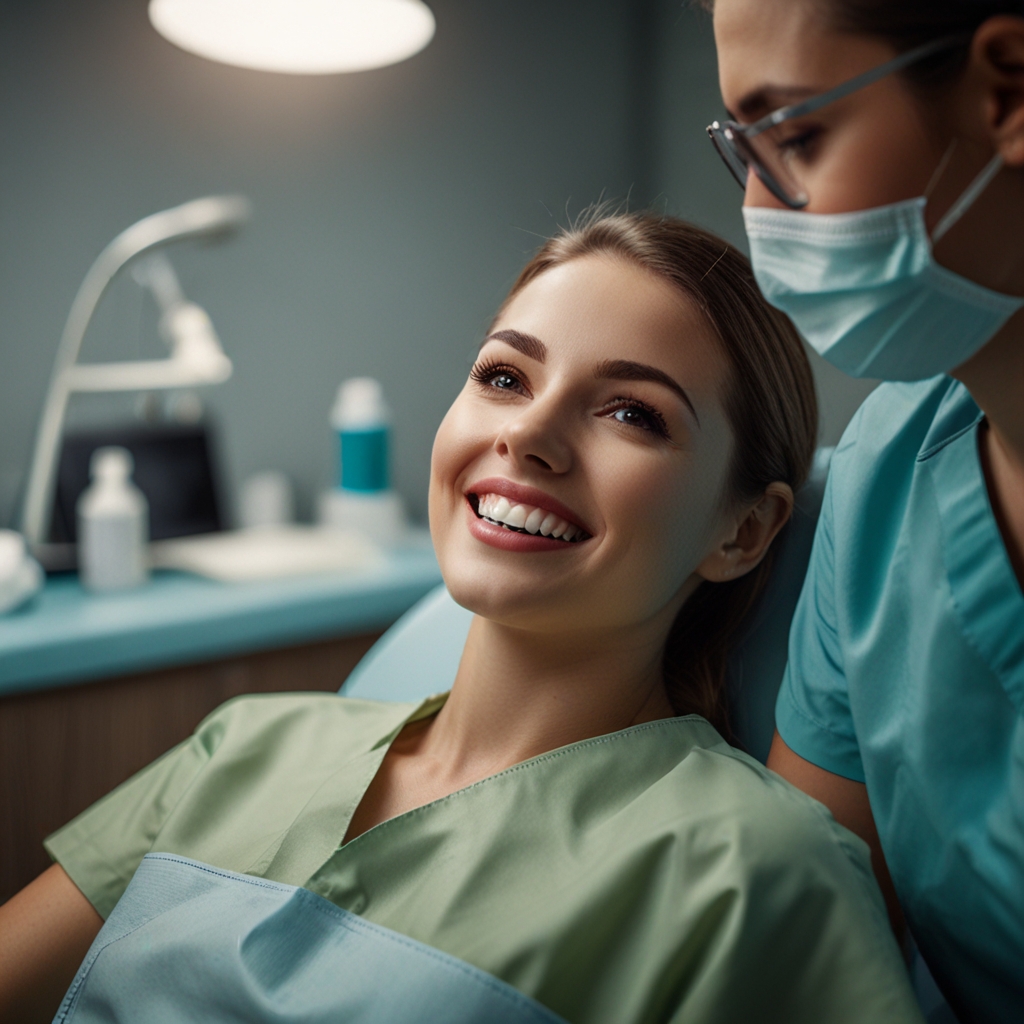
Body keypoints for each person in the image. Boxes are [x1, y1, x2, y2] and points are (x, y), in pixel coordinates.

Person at [0, 213, 923, 1024]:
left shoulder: (756, 874)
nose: (525, 433)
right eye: (505, 378)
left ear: (744, 529)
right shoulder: (243, 747)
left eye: (633, 413)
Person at [704, 2, 1024, 1021]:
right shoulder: (887, 472)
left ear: (1006, 89)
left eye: (794, 135)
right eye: (742, 150)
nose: (761, 221)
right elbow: (816, 936)